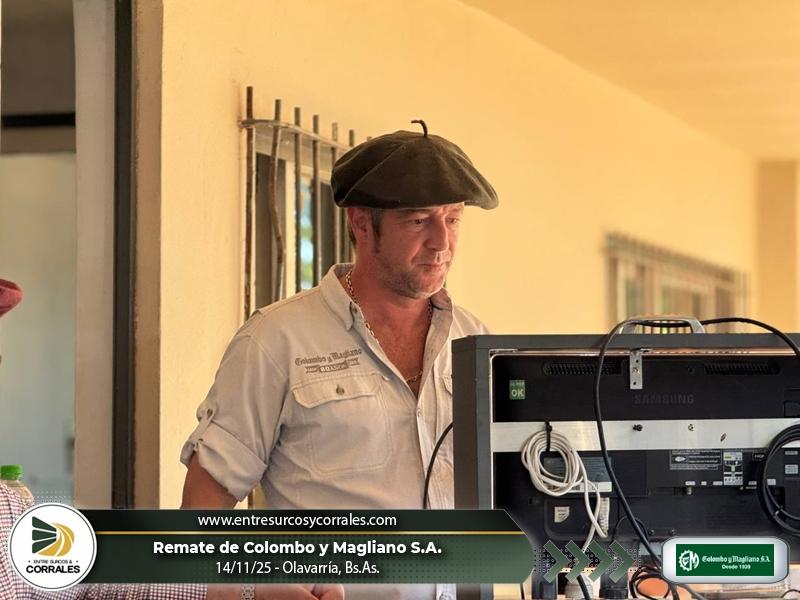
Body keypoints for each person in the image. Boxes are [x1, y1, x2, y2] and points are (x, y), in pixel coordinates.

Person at [180, 122, 498, 599]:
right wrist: (256, 590)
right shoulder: (276, 339)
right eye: (418, 221)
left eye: (452, 219)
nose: (441, 243)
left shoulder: (474, 339)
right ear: (361, 224)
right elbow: (204, 510)